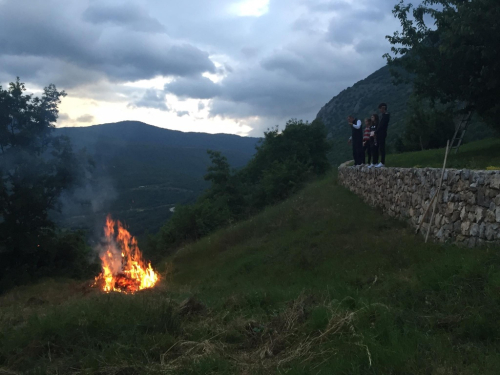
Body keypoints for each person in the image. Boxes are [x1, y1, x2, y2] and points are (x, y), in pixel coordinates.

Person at [375, 103, 390, 168]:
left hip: (382, 133)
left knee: (382, 147)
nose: (380, 110)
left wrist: (376, 131)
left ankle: (382, 162)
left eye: (381, 109)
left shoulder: (386, 116)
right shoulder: (383, 115)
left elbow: (381, 126)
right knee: (379, 147)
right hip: (379, 133)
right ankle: (379, 161)